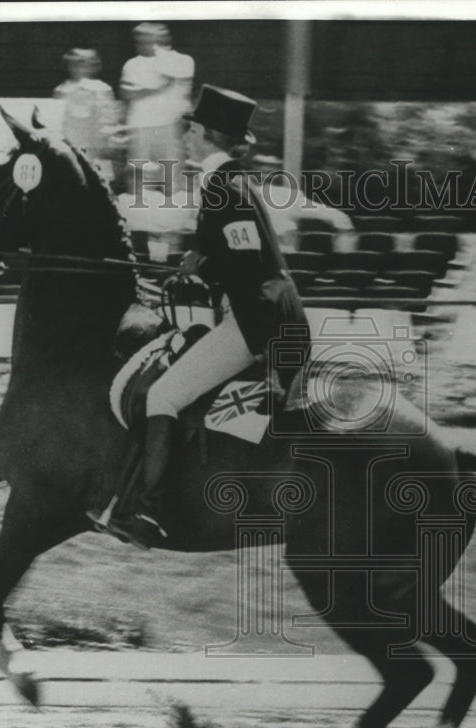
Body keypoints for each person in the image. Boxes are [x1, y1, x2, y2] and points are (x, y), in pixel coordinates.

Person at [109, 85, 311, 549]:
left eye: (192, 129)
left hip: (258, 321)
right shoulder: (229, 181)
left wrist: (203, 264)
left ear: (207, 135)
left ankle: (148, 508)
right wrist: (203, 262)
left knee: (162, 396)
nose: (185, 137)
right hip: (256, 312)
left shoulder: (224, 186)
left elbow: (244, 260)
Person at [120, 23, 194, 196]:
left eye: (148, 38)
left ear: (163, 38)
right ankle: (138, 219)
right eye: (139, 39)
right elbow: (126, 94)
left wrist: (143, 89)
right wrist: (158, 88)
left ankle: (172, 219)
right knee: (139, 180)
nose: (142, 42)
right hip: (139, 129)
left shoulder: (183, 60)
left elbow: (179, 87)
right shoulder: (131, 64)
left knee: (172, 179)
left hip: (170, 128)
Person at [53, 48, 121, 185]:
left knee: (99, 183)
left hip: (95, 148)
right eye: (74, 63)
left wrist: (105, 144)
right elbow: (58, 121)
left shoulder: (101, 89)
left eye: (83, 62)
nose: (78, 66)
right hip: (71, 146)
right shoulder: (61, 90)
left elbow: (108, 120)